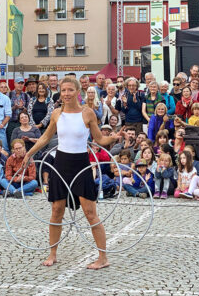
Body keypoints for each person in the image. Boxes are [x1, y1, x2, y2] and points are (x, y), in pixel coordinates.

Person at [22, 76, 124, 269]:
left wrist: (113, 138)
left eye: (70, 90)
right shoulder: (57, 114)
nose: (66, 94)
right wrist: (29, 153)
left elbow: (99, 140)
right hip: (61, 164)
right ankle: (53, 253)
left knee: (90, 213)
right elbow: (45, 137)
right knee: (56, 211)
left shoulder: (88, 113)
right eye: (63, 90)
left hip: (81, 165)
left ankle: (103, 258)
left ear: (78, 92)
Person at [7, 77, 30, 143]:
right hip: (11, 122)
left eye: (22, 83)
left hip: (22, 123)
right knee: (11, 141)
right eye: (18, 83)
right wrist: (15, 107)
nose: (20, 85)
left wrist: (22, 108)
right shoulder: (9, 95)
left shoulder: (26, 96)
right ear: (14, 84)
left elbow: (29, 110)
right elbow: (5, 110)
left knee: (21, 141)